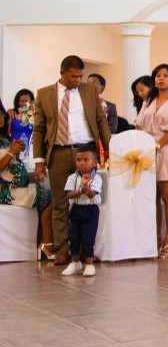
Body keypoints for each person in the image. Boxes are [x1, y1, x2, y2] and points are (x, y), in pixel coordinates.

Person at [32, 55, 111, 266]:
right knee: (60, 201)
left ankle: (86, 251)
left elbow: (100, 120)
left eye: (80, 76)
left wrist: (109, 147)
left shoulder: (89, 91)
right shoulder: (45, 94)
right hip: (58, 152)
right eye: (74, 76)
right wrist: (39, 160)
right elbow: (39, 129)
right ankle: (62, 250)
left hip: (86, 150)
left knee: (87, 200)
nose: (78, 80)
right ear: (62, 73)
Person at [135, 64, 168, 259]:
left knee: (167, 195)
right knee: (152, 197)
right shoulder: (148, 101)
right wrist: (141, 146)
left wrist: (157, 145)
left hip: (166, 149)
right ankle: (153, 238)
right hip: (147, 150)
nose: (161, 79)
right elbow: (139, 125)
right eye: (158, 75)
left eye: (165, 76)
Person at [0, 134, 53, 260]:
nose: (1, 118)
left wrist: (18, 150)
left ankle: (47, 242)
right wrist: (11, 152)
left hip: (17, 186)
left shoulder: (4, 139)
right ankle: (47, 244)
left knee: (52, 195)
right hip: (5, 190)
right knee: (48, 197)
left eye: (2, 115)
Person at [61, 145, 102, 277]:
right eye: (79, 160)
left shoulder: (97, 178)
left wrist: (86, 187)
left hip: (90, 210)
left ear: (95, 162)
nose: (82, 163)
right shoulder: (73, 178)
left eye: (86, 160)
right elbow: (69, 194)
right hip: (76, 210)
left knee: (87, 238)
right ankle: (75, 262)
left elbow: (92, 194)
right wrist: (79, 191)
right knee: (73, 237)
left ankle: (89, 264)